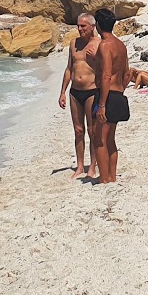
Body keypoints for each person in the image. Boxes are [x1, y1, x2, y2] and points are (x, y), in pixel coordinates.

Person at [58, 13, 100, 179]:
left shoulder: (98, 43)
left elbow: (106, 68)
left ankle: (93, 166)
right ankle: (80, 166)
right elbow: (69, 68)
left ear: (92, 27)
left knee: (92, 130)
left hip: (92, 90)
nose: (80, 29)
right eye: (78, 25)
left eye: (83, 26)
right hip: (75, 91)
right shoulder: (74, 43)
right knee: (78, 130)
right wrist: (62, 91)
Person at [91, 8, 129, 183]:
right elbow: (127, 74)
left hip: (107, 95)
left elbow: (106, 75)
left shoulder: (105, 45)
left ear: (98, 25)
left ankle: (104, 179)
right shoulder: (121, 45)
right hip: (118, 93)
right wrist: (120, 90)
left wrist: (102, 104)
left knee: (99, 139)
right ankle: (111, 176)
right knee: (110, 139)